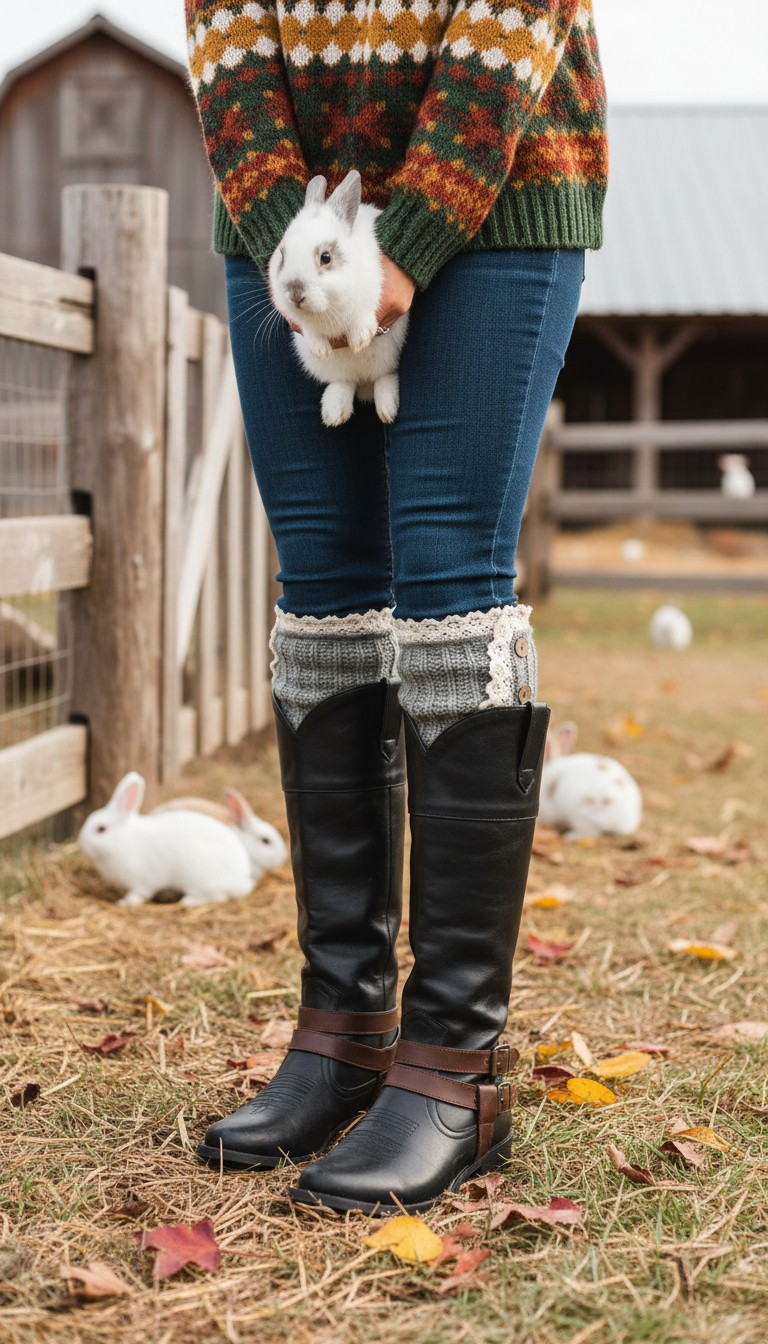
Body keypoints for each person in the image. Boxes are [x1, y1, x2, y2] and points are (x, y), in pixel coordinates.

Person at [185, 0, 607, 1215]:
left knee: (448, 575)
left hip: (500, 183)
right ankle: (346, 1028)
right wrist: (300, 245)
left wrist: (402, 243)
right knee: (322, 586)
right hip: (289, 230)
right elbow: (222, 31)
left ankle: (452, 1068)